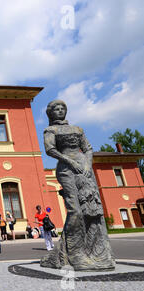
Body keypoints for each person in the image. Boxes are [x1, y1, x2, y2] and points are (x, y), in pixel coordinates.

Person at [41, 100, 115, 270]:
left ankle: (96, 251)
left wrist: (88, 166)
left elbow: (88, 148)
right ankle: (75, 254)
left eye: (62, 108)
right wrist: (70, 162)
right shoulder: (50, 130)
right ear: (51, 114)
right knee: (75, 210)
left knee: (92, 209)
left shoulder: (77, 129)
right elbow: (50, 149)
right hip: (66, 169)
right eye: (56, 109)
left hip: (84, 168)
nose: (59, 111)